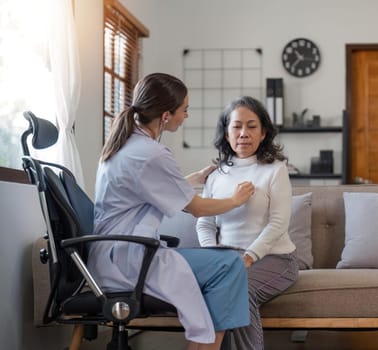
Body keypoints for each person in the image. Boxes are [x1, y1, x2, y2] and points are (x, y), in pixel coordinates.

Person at [87, 73, 255, 350]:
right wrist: (236, 200)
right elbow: (197, 208)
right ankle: (204, 346)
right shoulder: (151, 154)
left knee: (224, 266)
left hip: (111, 255)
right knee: (230, 264)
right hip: (128, 259)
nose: (186, 115)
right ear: (166, 115)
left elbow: (153, 188)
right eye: (185, 109)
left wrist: (198, 176)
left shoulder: (126, 146)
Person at [196, 96, 299, 350]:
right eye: (237, 126)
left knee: (240, 289)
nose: (243, 133)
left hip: (275, 259)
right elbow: (205, 223)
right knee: (221, 288)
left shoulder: (275, 169)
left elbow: (278, 222)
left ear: (263, 133)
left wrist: (249, 257)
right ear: (227, 132)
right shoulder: (217, 174)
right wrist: (213, 257)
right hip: (227, 259)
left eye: (251, 126)